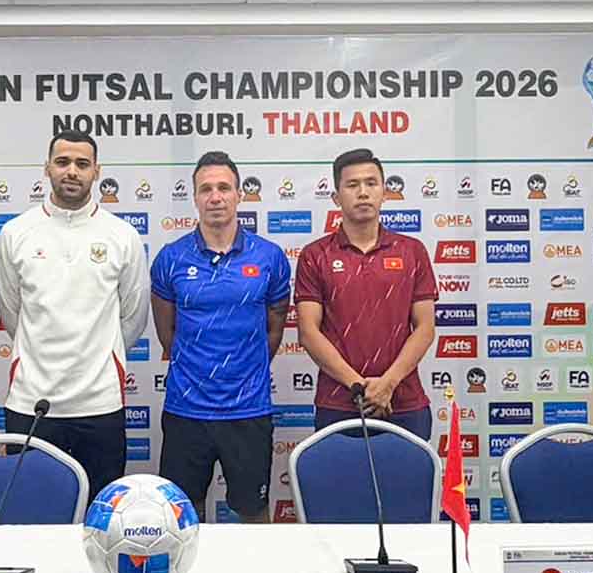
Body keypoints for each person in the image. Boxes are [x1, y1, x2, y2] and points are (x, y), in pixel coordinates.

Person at [0, 129, 149, 503]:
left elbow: (133, 316)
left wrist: (99, 356)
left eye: (82, 164)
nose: (72, 171)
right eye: (62, 162)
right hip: (32, 403)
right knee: (32, 515)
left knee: (102, 517)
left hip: (100, 404)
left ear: (97, 171)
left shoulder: (122, 235)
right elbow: (11, 312)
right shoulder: (16, 233)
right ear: (46, 168)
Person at [150, 151, 290, 523]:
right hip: (186, 411)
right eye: (206, 189)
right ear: (195, 198)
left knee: (254, 513)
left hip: (249, 411)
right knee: (181, 517)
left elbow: (275, 326)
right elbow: (168, 333)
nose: (215, 197)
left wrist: (244, 368)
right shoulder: (171, 258)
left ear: (239, 194)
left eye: (224, 188)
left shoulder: (270, 257)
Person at [295, 148, 436, 440]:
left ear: (384, 191)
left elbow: (425, 328)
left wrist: (388, 383)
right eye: (352, 185)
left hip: (404, 402)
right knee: (340, 487)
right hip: (338, 403)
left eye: (371, 183)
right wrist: (357, 386)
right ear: (336, 197)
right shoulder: (314, 255)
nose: (363, 192)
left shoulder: (412, 250)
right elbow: (308, 332)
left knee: (407, 487)